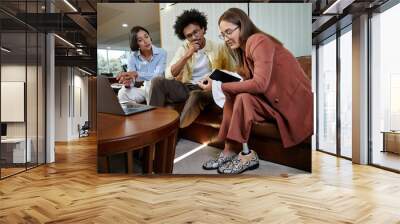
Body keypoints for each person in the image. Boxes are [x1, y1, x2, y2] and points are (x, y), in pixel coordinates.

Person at [198, 8, 313, 174]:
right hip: (273, 102)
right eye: (222, 35)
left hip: (295, 106)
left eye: (228, 32)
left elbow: (260, 84)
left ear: (242, 26)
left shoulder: (258, 41)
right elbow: (251, 81)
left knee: (242, 97)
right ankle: (230, 150)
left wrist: (220, 87)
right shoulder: (245, 51)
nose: (226, 39)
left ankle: (247, 156)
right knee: (237, 95)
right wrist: (220, 80)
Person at [148, 9, 235, 128]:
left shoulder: (218, 48)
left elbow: (231, 73)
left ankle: (174, 132)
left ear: (203, 29)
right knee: (157, 81)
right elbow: (169, 74)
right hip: (186, 87)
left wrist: (215, 83)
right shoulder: (184, 49)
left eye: (196, 32)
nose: (194, 37)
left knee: (195, 94)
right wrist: (187, 56)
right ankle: (152, 124)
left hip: (206, 88)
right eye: (189, 35)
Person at [117, 26, 167, 104]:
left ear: (150, 37)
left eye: (146, 37)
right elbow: (132, 78)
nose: (146, 41)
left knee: (152, 84)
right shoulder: (132, 56)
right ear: (136, 44)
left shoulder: (161, 52)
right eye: (140, 40)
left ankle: (151, 111)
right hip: (143, 89)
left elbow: (158, 75)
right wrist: (128, 82)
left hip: (158, 88)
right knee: (122, 92)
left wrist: (137, 74)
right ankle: (131, 114)